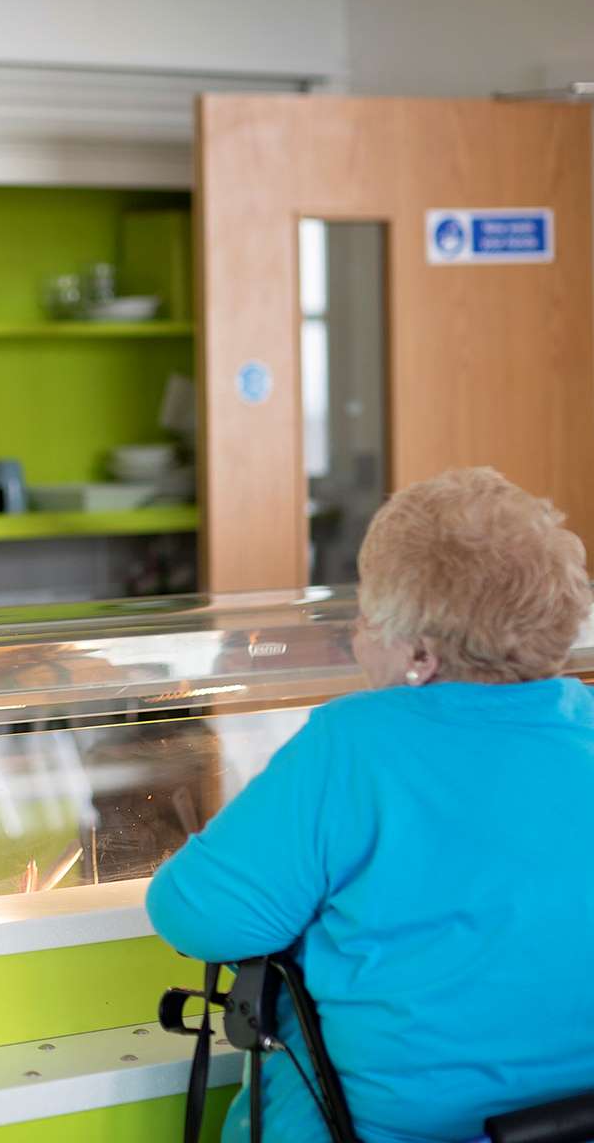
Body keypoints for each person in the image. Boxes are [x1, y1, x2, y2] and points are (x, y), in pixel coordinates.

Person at [147, 468, 594, 1142]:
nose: (355, 631)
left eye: (364, 612)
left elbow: (196, 915)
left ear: (420, 652)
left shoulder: (356, 742)